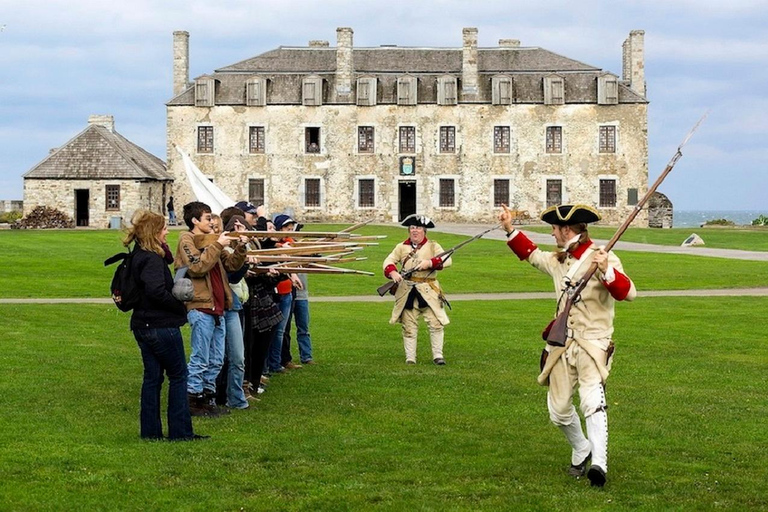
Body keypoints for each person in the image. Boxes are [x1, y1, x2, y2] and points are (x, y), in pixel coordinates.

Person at [499, 203, 636, 488]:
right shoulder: (558, 260)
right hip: (562, 343)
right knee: (558, 411)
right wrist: (510, 229)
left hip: (593, 343)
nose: (552, 233)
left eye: (554, 228)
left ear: (566, 229)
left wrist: (606, 271)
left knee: (592, 402)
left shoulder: (602, 258)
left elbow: (628, 293)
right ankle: (581, 448)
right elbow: (532, 255)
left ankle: (599, 463)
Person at [124, 210, 207, 441]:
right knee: (179, 375)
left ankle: (151, 433)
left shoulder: (139, 255)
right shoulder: (150, 258)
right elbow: (156, 291)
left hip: (143, 324)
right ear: (154, 232)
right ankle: (181, 432)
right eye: (163, 228)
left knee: (152, 378)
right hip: (159, 325)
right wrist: (178, 305)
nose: (167, 231)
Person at [174, 201, 247, 416]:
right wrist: (217, 244)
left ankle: (208, 398)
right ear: (195, 220)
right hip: (200, 305)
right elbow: (196, 267)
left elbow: (231, 264)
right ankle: (193, 400)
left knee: (216, 359)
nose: (212, 223)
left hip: (218, 305)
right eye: (207, 219)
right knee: (200, 358)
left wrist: (241, 246)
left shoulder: (213, 241)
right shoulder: (186, 239)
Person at [382, 214, 452, 365]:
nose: (415, 231)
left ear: (424, 231)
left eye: (418, 228)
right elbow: (389, 261)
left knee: (435, 324)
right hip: (407, 290)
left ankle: (438, 356)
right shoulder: (401, 247)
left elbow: (447, 260)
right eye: (412, 228)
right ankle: (410, 358)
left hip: (429, 290)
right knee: (409, 326)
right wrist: (393, 272)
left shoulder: (433, 246)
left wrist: (429, 263)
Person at [268, 214, 304, 373]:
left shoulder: (288, 242)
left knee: (283, 330)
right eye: (285, 227)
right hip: (277, 292)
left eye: (290, 227)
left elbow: (289, 260)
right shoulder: (275, 245)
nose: (289, 230)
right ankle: (274, 363)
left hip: (288, 291)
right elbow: (280, 255)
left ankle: (282, 360)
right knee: (276, 331)